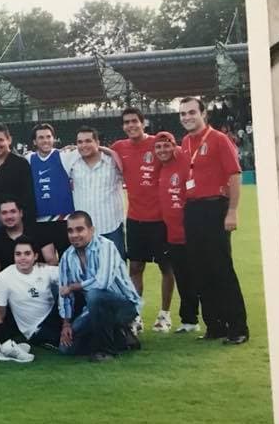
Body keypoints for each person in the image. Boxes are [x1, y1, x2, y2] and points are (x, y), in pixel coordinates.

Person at [178, 96, 247, 344]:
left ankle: (238, 327)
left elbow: (234, 175)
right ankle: (215, 325)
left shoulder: (219, 139)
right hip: (193, 210)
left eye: (191, 112)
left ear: (203, 113)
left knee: (221, 269)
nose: (186, 117)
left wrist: (232, 210)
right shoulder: (185, 142)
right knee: (200, 270)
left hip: (215, 208)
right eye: (183, 114)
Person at [111, 107, 176, 333]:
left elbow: (178, 156)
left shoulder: (158, 143)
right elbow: (101, 153)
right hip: (135, 218)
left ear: (143, 122)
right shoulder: (119, 147)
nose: (131, 125)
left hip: (160, 219)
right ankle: (136, 315)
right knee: (136, 267)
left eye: (134, 121)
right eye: (126, 122)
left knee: (166, 266)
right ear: (123, 126)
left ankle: (164, 314)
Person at [58, 211, 142, 362]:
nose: (74, 235)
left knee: (94, 295)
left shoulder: (106, 246)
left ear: (92, 230)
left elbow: (102, 282)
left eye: (80, 229)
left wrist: (74, 286)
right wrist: (66, 324)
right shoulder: (66, 256)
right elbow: (64, 292)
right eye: (70, 231)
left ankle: (107, 351)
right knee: (66, 348)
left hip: (124, 306)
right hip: (94, 309)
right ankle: (121, 336)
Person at [154, 131, 201, 333]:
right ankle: (189, 321)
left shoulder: (183, 159)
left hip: (192, 231)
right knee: (182, 278)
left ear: (175, 146)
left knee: (201, 277)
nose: (163, 150)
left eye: (167, 145)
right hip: (173, 235)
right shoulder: (162, 168)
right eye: (158, 147)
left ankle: (216, 320)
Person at [66, 127, 126, 258]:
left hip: (111, 228)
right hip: (84, 233)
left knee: (115, 273)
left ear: (97, 143)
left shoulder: (112, 162)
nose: (83, 145)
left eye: (88, 141)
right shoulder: (72, 163)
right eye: (80, 142)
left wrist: (109, 151)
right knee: (87, 274)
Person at [0, 236, 62, 349]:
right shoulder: (4, 277)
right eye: (18, 254)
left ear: (35, 256)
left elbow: (68, 275)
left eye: (27, 253)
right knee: (71, 344)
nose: (22, 258)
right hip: (36, 329)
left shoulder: (43, 269)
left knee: (68, 287)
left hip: (55, 316)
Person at [25, 123, 76, 254]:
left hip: (63, 219)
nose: (45, 140)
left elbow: (89, 150)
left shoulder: (64, 155)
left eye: (48, 136)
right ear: (35, 141)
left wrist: (76, 147)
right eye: (41, 137)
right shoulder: (29, 159)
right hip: (40, 221)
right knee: (47, 263)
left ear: (54, 138)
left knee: (67, 259)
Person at [0, 124, 36, 235]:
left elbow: (28, 197)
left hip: (16, 220)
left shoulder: (20, 163)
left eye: (0, 140)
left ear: (9, 140)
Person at [0, 197, 57, 278]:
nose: (9, 216)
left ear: (21, 213)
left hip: (40, 279)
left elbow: (52, 262)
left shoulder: (39, 230)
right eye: (4, 213)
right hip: (12, 283)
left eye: (13, 211)